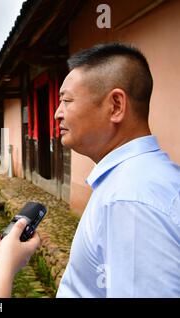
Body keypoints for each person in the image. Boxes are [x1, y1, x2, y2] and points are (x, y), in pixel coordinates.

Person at [54, 43, 180, 298]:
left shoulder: (129, 198)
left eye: (66, 100)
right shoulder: (139, 178)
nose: (58, 113)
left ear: (116, 106)